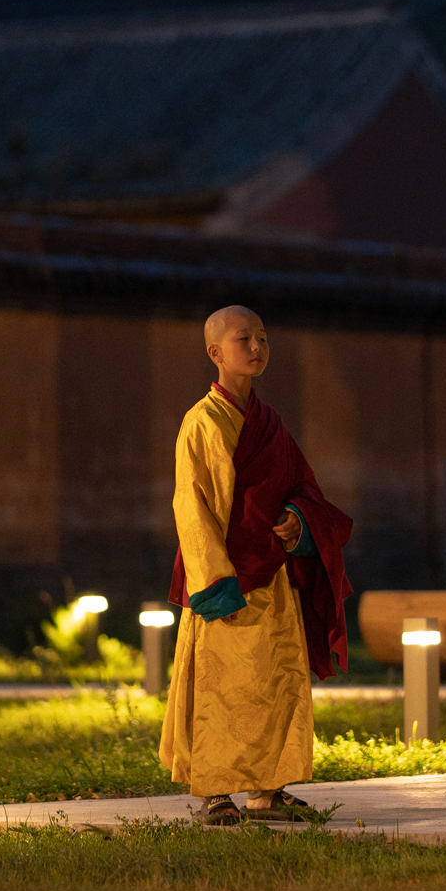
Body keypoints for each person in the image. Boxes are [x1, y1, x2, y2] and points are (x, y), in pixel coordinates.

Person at [160, 304, 353, 824]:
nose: (257, 348)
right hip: (227, 576)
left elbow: (302, 486)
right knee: (224, 689)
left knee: (278, 682)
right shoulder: (201, 422)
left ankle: (268, 789)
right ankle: (216, 793)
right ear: (215, 352)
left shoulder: (269, 422)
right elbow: (191, 506)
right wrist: (213, 579)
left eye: (263, 339)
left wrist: (298, 519)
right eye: (245, 339)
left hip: (275, 575)